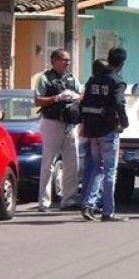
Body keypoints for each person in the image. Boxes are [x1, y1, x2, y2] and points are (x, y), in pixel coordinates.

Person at [80, 49, 130, 222]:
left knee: (96, 168)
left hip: (92, 130)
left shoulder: (93, 79)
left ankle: (88, 204)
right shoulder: (117, 81)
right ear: (122, 63)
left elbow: (84, 102)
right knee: (110, 172)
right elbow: (119, 103)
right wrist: (124, 123)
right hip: (108, 131)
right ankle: (108, 212)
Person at [34, 49, 82, 211]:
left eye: (68, 60)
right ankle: (44, 202)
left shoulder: (71, 78)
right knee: (48, 163)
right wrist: (57, 98)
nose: (67, 63)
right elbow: (38, 100)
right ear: (54, 60)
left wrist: (75, 96)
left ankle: (69, 200)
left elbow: (82, 94)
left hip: (70, 124)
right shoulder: (45, 78)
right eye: (64, 60)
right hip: (52, 122)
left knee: (72, 162)